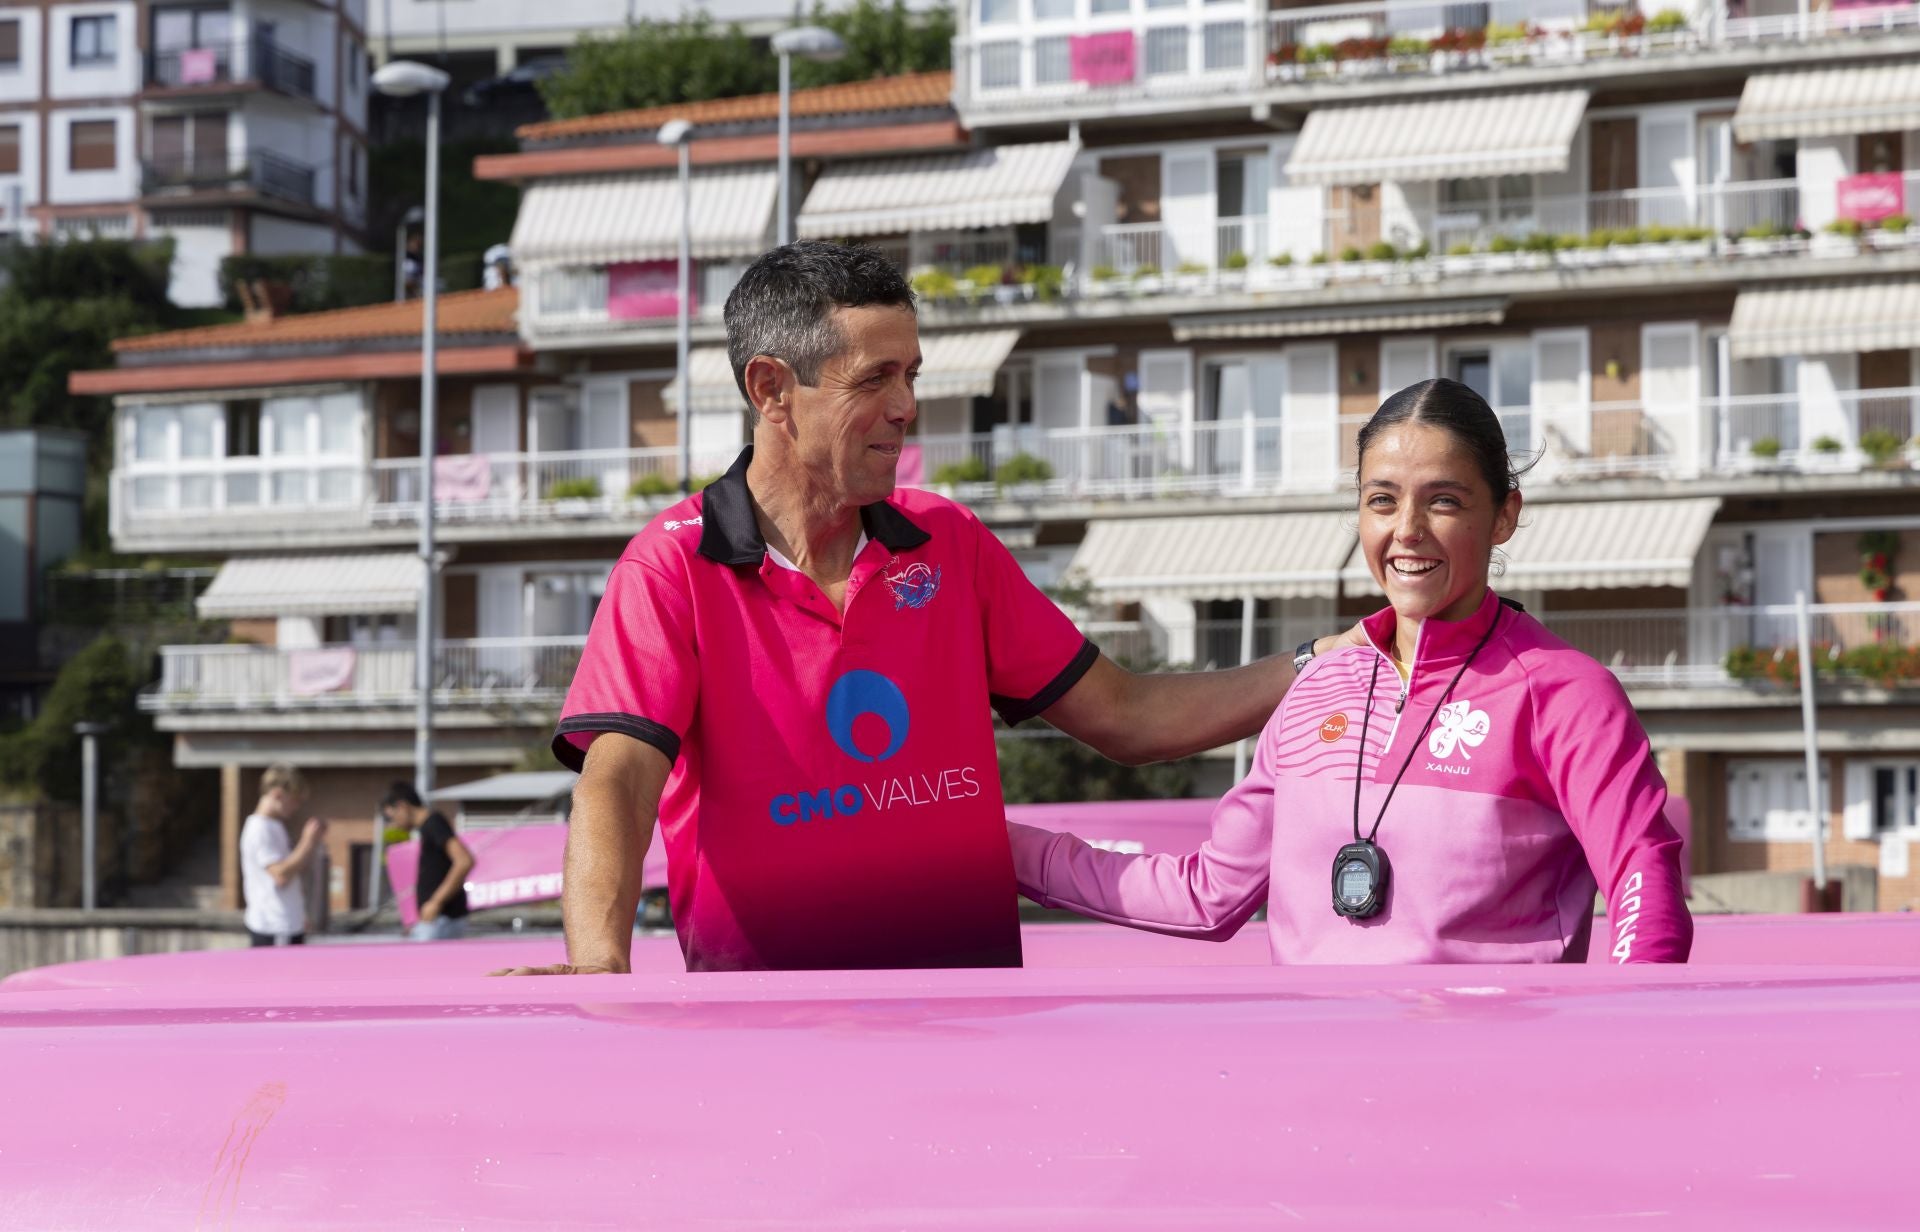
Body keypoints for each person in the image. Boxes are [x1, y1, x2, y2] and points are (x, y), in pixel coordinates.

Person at [501, 240, 1355, 976]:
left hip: (966, 1026)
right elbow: (618, 781)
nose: (907, 407)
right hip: (765, 1040)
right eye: (875, 379)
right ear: (771, 389)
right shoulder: (672, 564)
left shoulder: (951, 541)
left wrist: (1333, 660)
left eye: (911, 375)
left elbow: (1128, 718)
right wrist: (598, 971)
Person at [1011, 378, 1693, 964]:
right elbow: (1207, 894)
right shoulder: (1318, 688)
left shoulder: (1562, 691)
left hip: (1488, 1097)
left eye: (1445, 501)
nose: (1409, 530)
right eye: (1383, 500)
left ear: (1504, 516)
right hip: (1322, 1095)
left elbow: (1644, 873)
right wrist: (1003, 848)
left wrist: (1630, 1029)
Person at [241, 765, 325, 947]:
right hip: (274, 926)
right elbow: (280, 875)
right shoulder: (259, 828)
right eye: (294, 800)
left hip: (285, 923)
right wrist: (307, 841)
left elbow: (290, 872)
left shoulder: (274, 826)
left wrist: (300, 913)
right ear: (278, 794)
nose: (296, 807)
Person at [382, 781, 474, 942]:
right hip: (436, 919)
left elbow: (464, 861)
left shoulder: (434, 823)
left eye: (392, 816)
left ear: (402, 806)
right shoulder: (428, 828)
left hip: (443, 918)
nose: (394, 823)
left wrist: (435, 902)